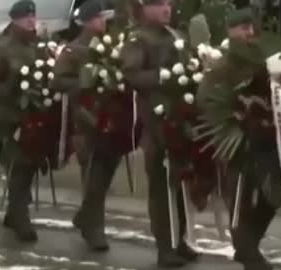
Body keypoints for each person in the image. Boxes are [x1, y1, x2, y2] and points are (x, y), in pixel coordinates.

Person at [197, 8, 281, 270]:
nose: (248, 32)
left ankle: (248, 245)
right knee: (241, 202)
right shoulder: (223, 65)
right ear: (230, 31)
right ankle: (248, 253)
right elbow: (205, 99)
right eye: (242, 27)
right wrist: (235, 118)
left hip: (269, 139)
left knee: (273, 195)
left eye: (250, 27)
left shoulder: (265, 59)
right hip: (237, 141)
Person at [120, 0, 199, 267]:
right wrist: (162, 76)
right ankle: (165, 247)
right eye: (160, 4)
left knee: (180, 183)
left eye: (169, 3)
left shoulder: (176, 35)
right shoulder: (138, 39)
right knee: (161, 188)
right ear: (146, 8)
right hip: (155, 123)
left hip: (181, 119)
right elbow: (131, 75)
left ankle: (181, 239)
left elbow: (189, 67)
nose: (167, 8)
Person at [51, 0, 122, 251]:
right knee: (92, 176)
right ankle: (94, 230)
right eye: (100, 18)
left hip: (111, 122)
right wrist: (86, 83)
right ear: (89, 20)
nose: (105, 21)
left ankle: (85, 217)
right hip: (85, 122)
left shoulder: (109, 47)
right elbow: (58, 82)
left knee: (105, 176)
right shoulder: (73, 50)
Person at [0, 0, 39, 242]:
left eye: (32, 16)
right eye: (25, 17)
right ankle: (19, 217)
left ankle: (14, 211)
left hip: (33, 116)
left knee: (28, 165)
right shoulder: (2, 48)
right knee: (19, 166)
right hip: (7, 117)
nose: (30, 20)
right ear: (14, 20)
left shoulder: (37, 46)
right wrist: (9, 86)